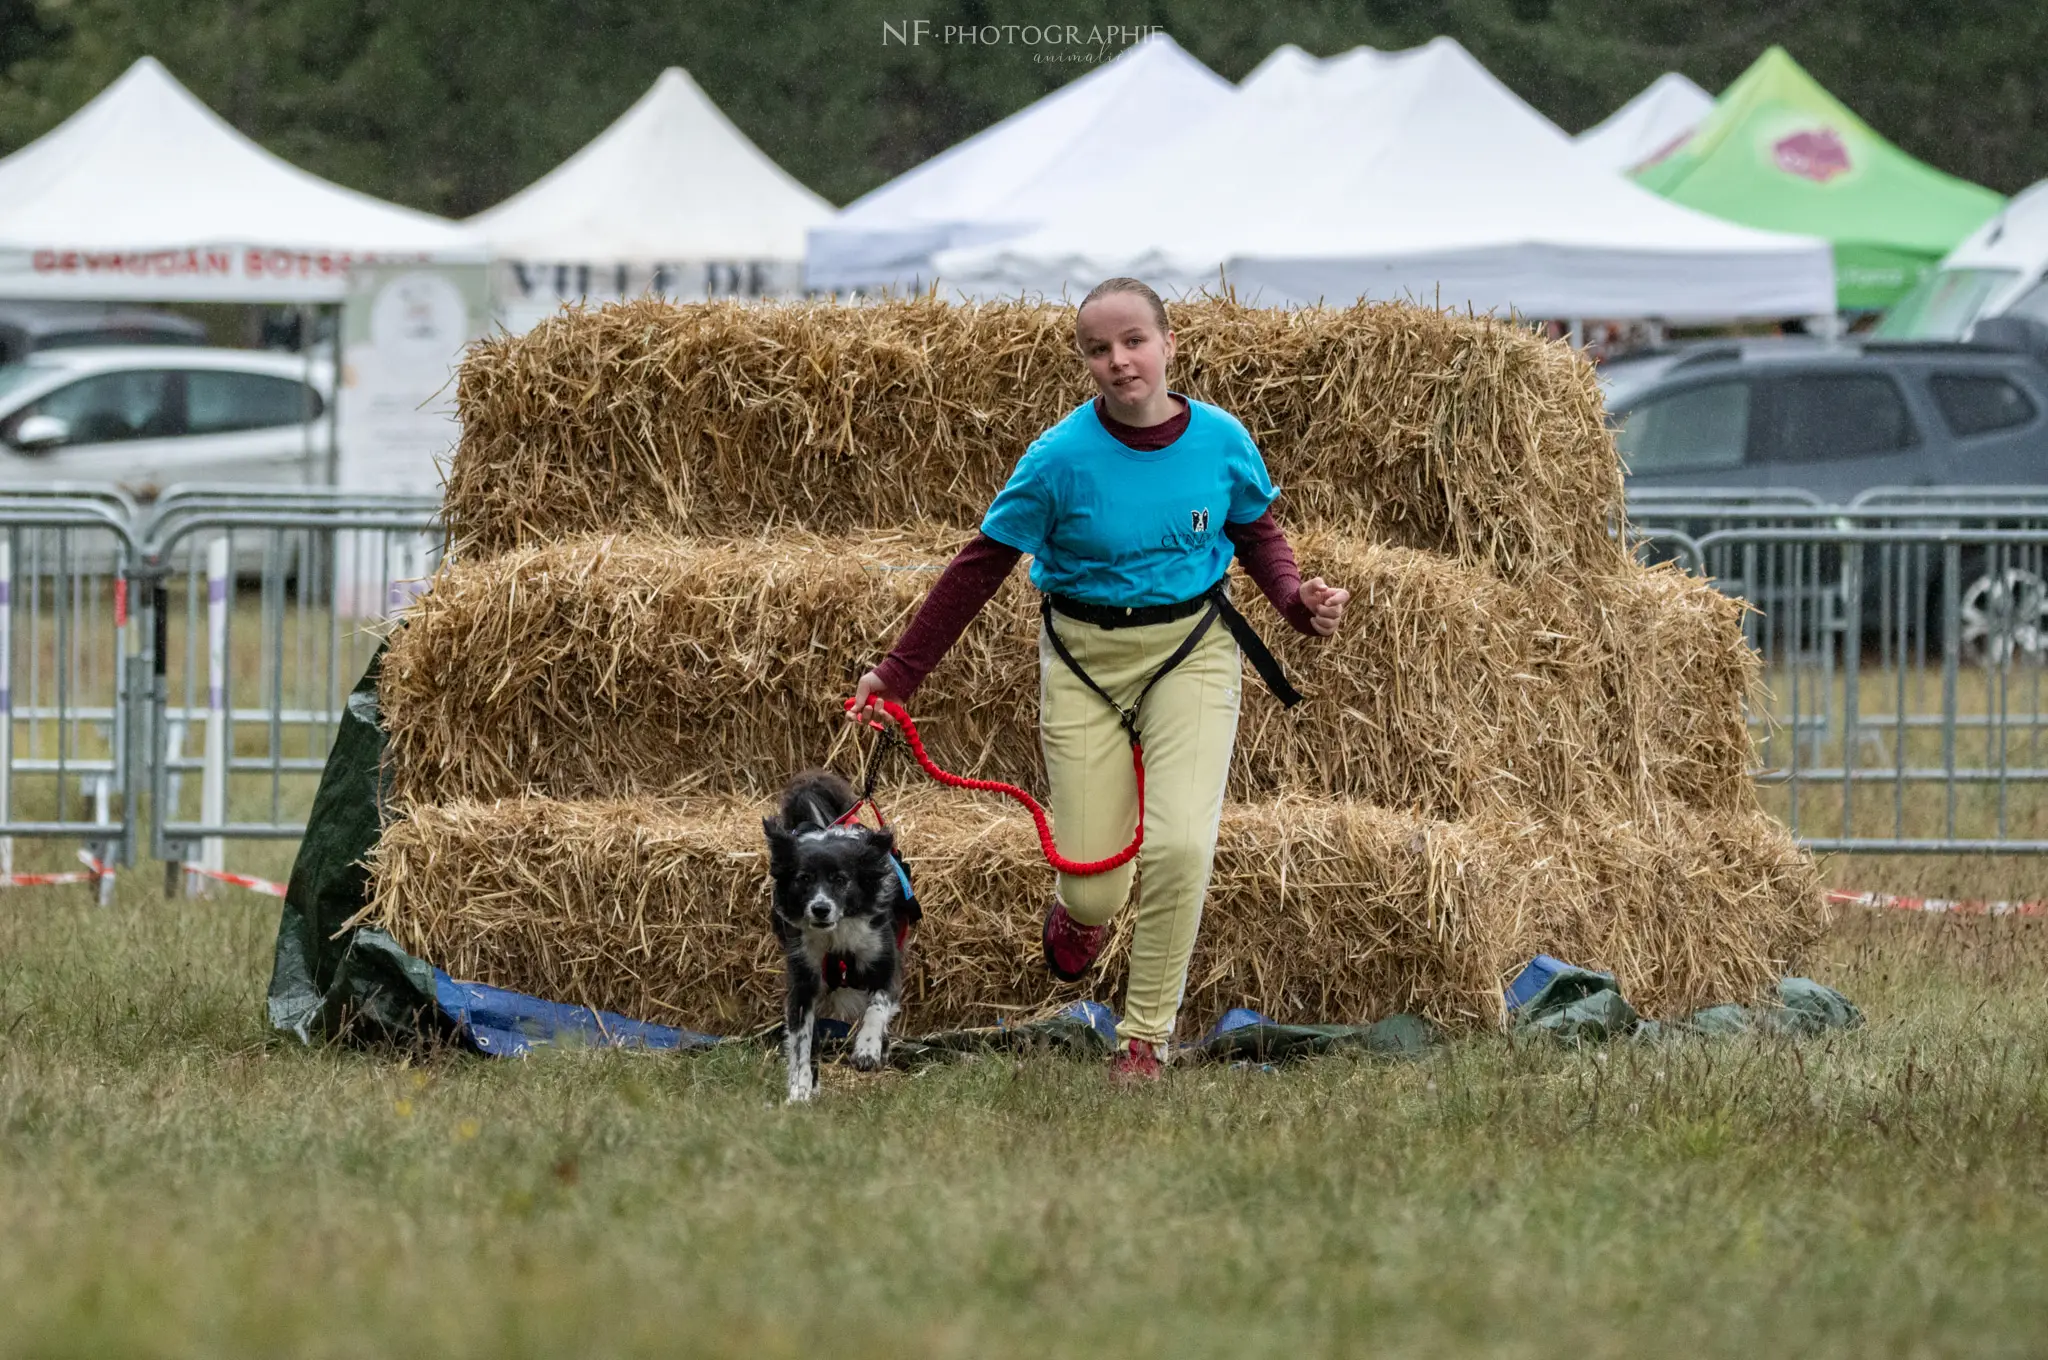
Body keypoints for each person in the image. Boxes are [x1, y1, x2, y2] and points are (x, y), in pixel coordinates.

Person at [847, 278, 1350, 1081]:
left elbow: (1257, 531)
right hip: (1084, 661)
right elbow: (979, 569)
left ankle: (1144, 1039)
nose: (1119, 361)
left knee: (1182, 846)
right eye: (1098, 349)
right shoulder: (1056, 460)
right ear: (1084, 362)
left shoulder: (1221, 440)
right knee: (1094, 891)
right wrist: (897, 675)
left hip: (1192, 650)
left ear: (1168, 343)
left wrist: (1297, 603)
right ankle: (1079, 921)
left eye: (1134, 342)